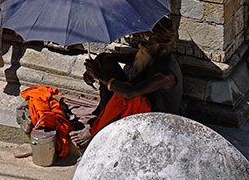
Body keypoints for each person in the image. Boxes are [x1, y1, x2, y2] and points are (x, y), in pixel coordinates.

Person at [71, 17, 183, 149]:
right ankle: (101, 119)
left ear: (160, 46)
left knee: (123, 95)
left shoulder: (166, 75)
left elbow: (130, 92)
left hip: (155, 119)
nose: (141, 45)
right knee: (106, 62)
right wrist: (94, 68)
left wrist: (100, 76)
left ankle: (96, 131)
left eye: (146, 42)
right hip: (139, 105)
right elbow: (108, 58)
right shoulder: (150, 54)